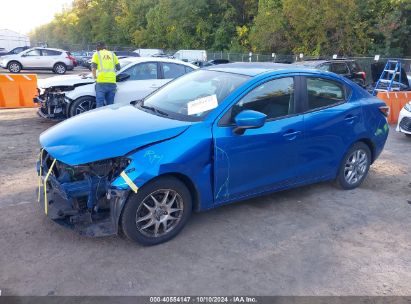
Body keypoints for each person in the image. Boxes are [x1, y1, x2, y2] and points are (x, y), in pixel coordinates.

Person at [91, 42, 120, 107]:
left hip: (101, 82)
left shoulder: (96, 54)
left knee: (100, 105)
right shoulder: (112, 54)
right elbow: (118, 68)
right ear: (106, 47)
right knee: (110, 105)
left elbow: (93, 68)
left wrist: (94, 77)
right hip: (112, 82)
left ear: (97, 48)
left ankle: (100, 117)